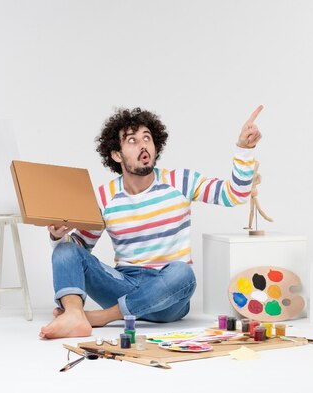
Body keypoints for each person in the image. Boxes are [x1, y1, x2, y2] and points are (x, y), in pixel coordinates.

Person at [39, 105, 264, 339]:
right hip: (123, 284)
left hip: (168, 297)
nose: (143, 144)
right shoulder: (105, 197)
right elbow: (79, 249)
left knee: (182, 273)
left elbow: (234, 194)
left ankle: (102, 317)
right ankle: (75, 316)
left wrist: (244, 149)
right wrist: (57, 236)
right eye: (132, 141)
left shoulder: (181, 181)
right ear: (117, 154)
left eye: (147, 138)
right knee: (65, 249)